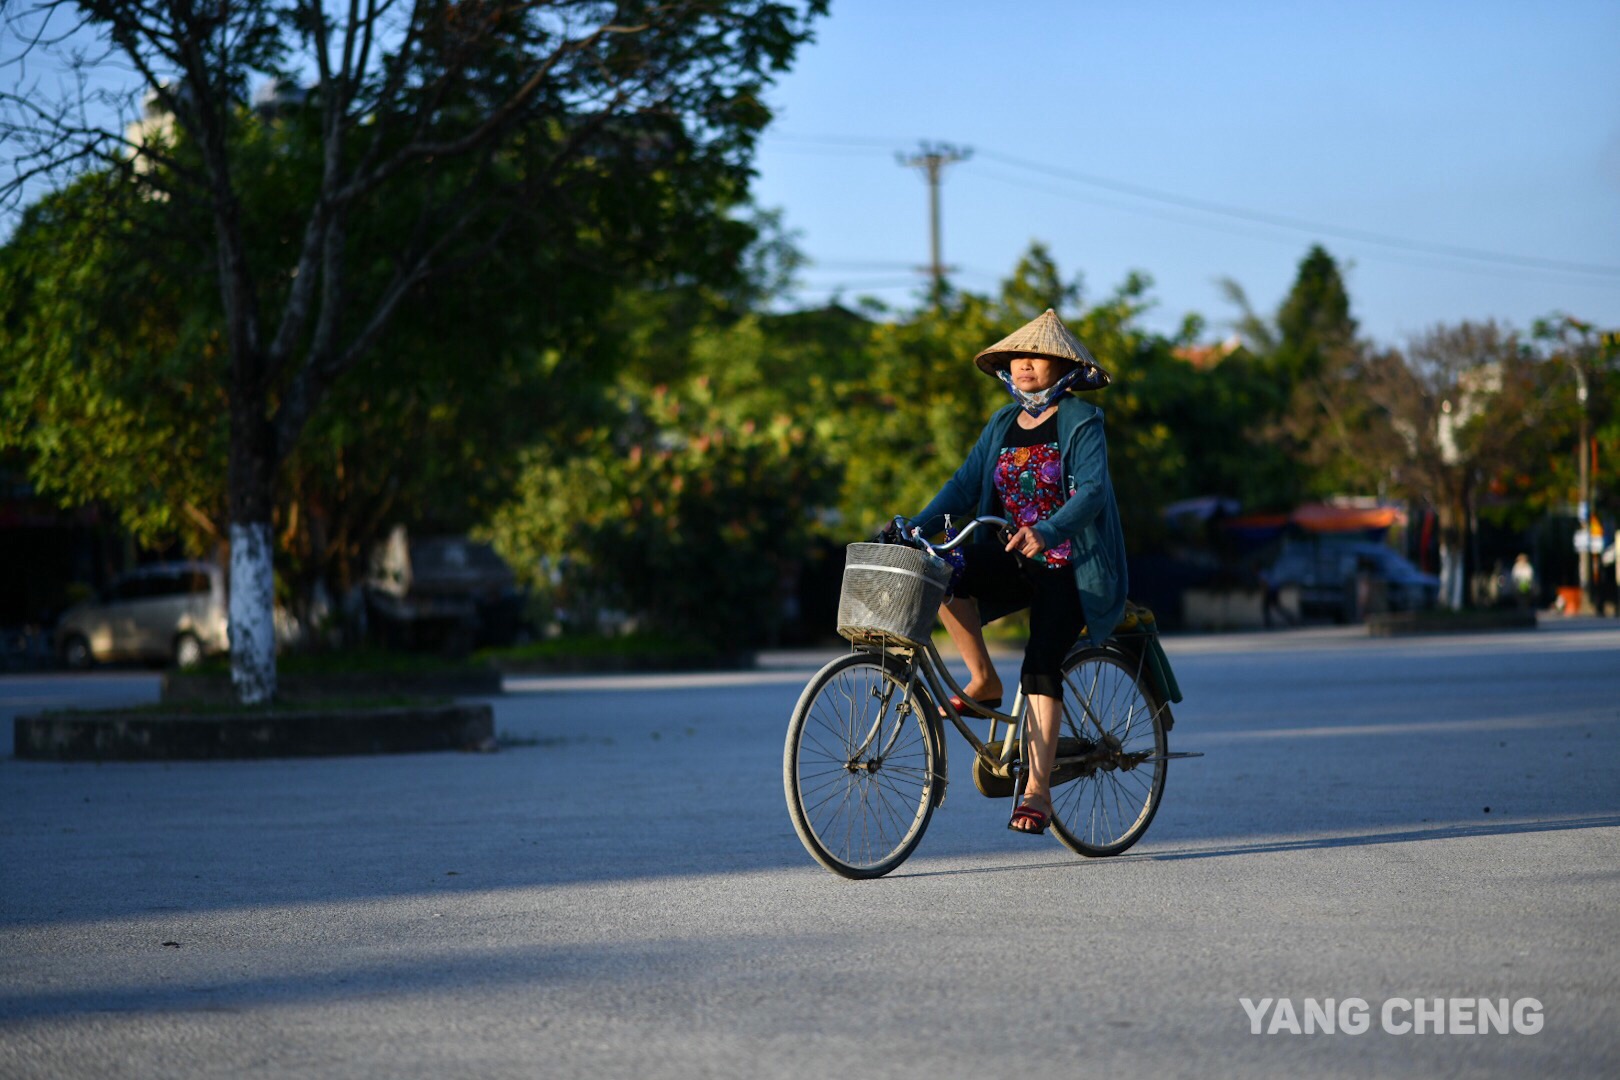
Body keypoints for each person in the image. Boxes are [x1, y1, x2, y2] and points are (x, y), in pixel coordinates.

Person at [901, 309, 1128, 835]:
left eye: (1037, 357)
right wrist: (913, 525)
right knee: (940, 568)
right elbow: (962, 485)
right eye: (1017, 357)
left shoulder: (1082, 421)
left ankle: (1038, 793)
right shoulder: (1002, 424)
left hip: (1072, 567)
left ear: (1063, 367)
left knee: (1041, 667)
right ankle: (982, 681)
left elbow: (1092, 493)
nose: (1024, 365)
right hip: (1015, 557)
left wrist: (1048, 530)